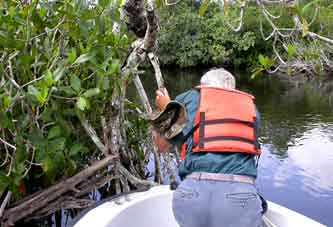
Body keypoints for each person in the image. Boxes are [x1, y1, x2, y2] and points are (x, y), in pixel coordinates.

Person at [152, 68, 265, 227]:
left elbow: (160, 145)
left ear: (203, 86)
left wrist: (165, 110)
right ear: (233, 89)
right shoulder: (251, 108)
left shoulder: (190, 99)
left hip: (191, 195)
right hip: (240, 197)